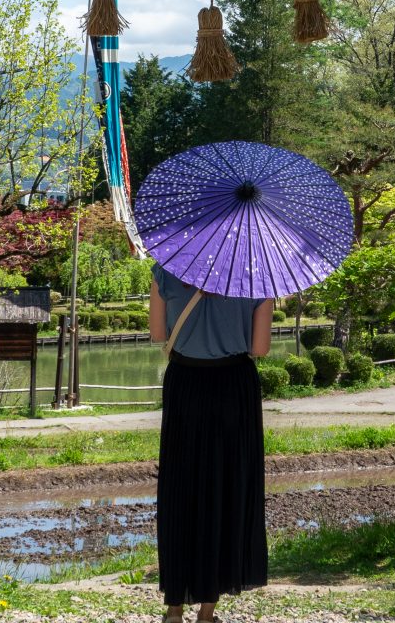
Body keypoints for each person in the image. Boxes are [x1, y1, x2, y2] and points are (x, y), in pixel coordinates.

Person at [149, 260, 275, 623]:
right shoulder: (258, 275)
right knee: (226, 489)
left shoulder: (166, 270)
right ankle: (207, 612)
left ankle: (174, 609)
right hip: (233, 388)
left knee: (181, 488)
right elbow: (261, 347)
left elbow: (158, 334)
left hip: (185, 383)